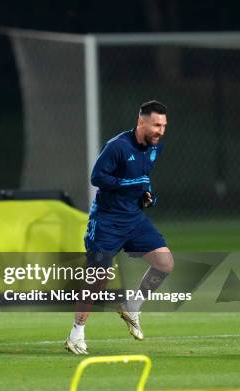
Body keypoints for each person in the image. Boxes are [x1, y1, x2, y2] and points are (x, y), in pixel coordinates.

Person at [65, 100, 174, 355]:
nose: (160, 130)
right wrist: (132, 183)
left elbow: (142, 181)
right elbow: (97, 177)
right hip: (106, 221)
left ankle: (132, 306)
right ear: (141, 122)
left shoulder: (154, 149)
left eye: (164, 125)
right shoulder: (117, 147)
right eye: (156, 125)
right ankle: (76, 334)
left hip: (134, 219)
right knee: (98, 278)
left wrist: (147, 196)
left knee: (165, 263)